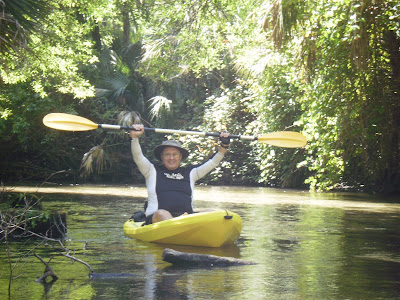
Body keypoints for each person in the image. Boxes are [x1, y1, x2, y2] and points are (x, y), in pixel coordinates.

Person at [129, 125, 230, 224]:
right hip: (158, 218)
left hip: (186, 218)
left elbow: (212, 162)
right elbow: (138, 157)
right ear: (161, 156)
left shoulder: (191, 173)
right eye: (167, 154)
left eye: (175, 154)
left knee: (216, 212)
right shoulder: (151, 171)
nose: (171, 158)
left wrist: (224, 145)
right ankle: (178, 226)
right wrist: (134, 138)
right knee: (161, 213)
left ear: (180, 156)